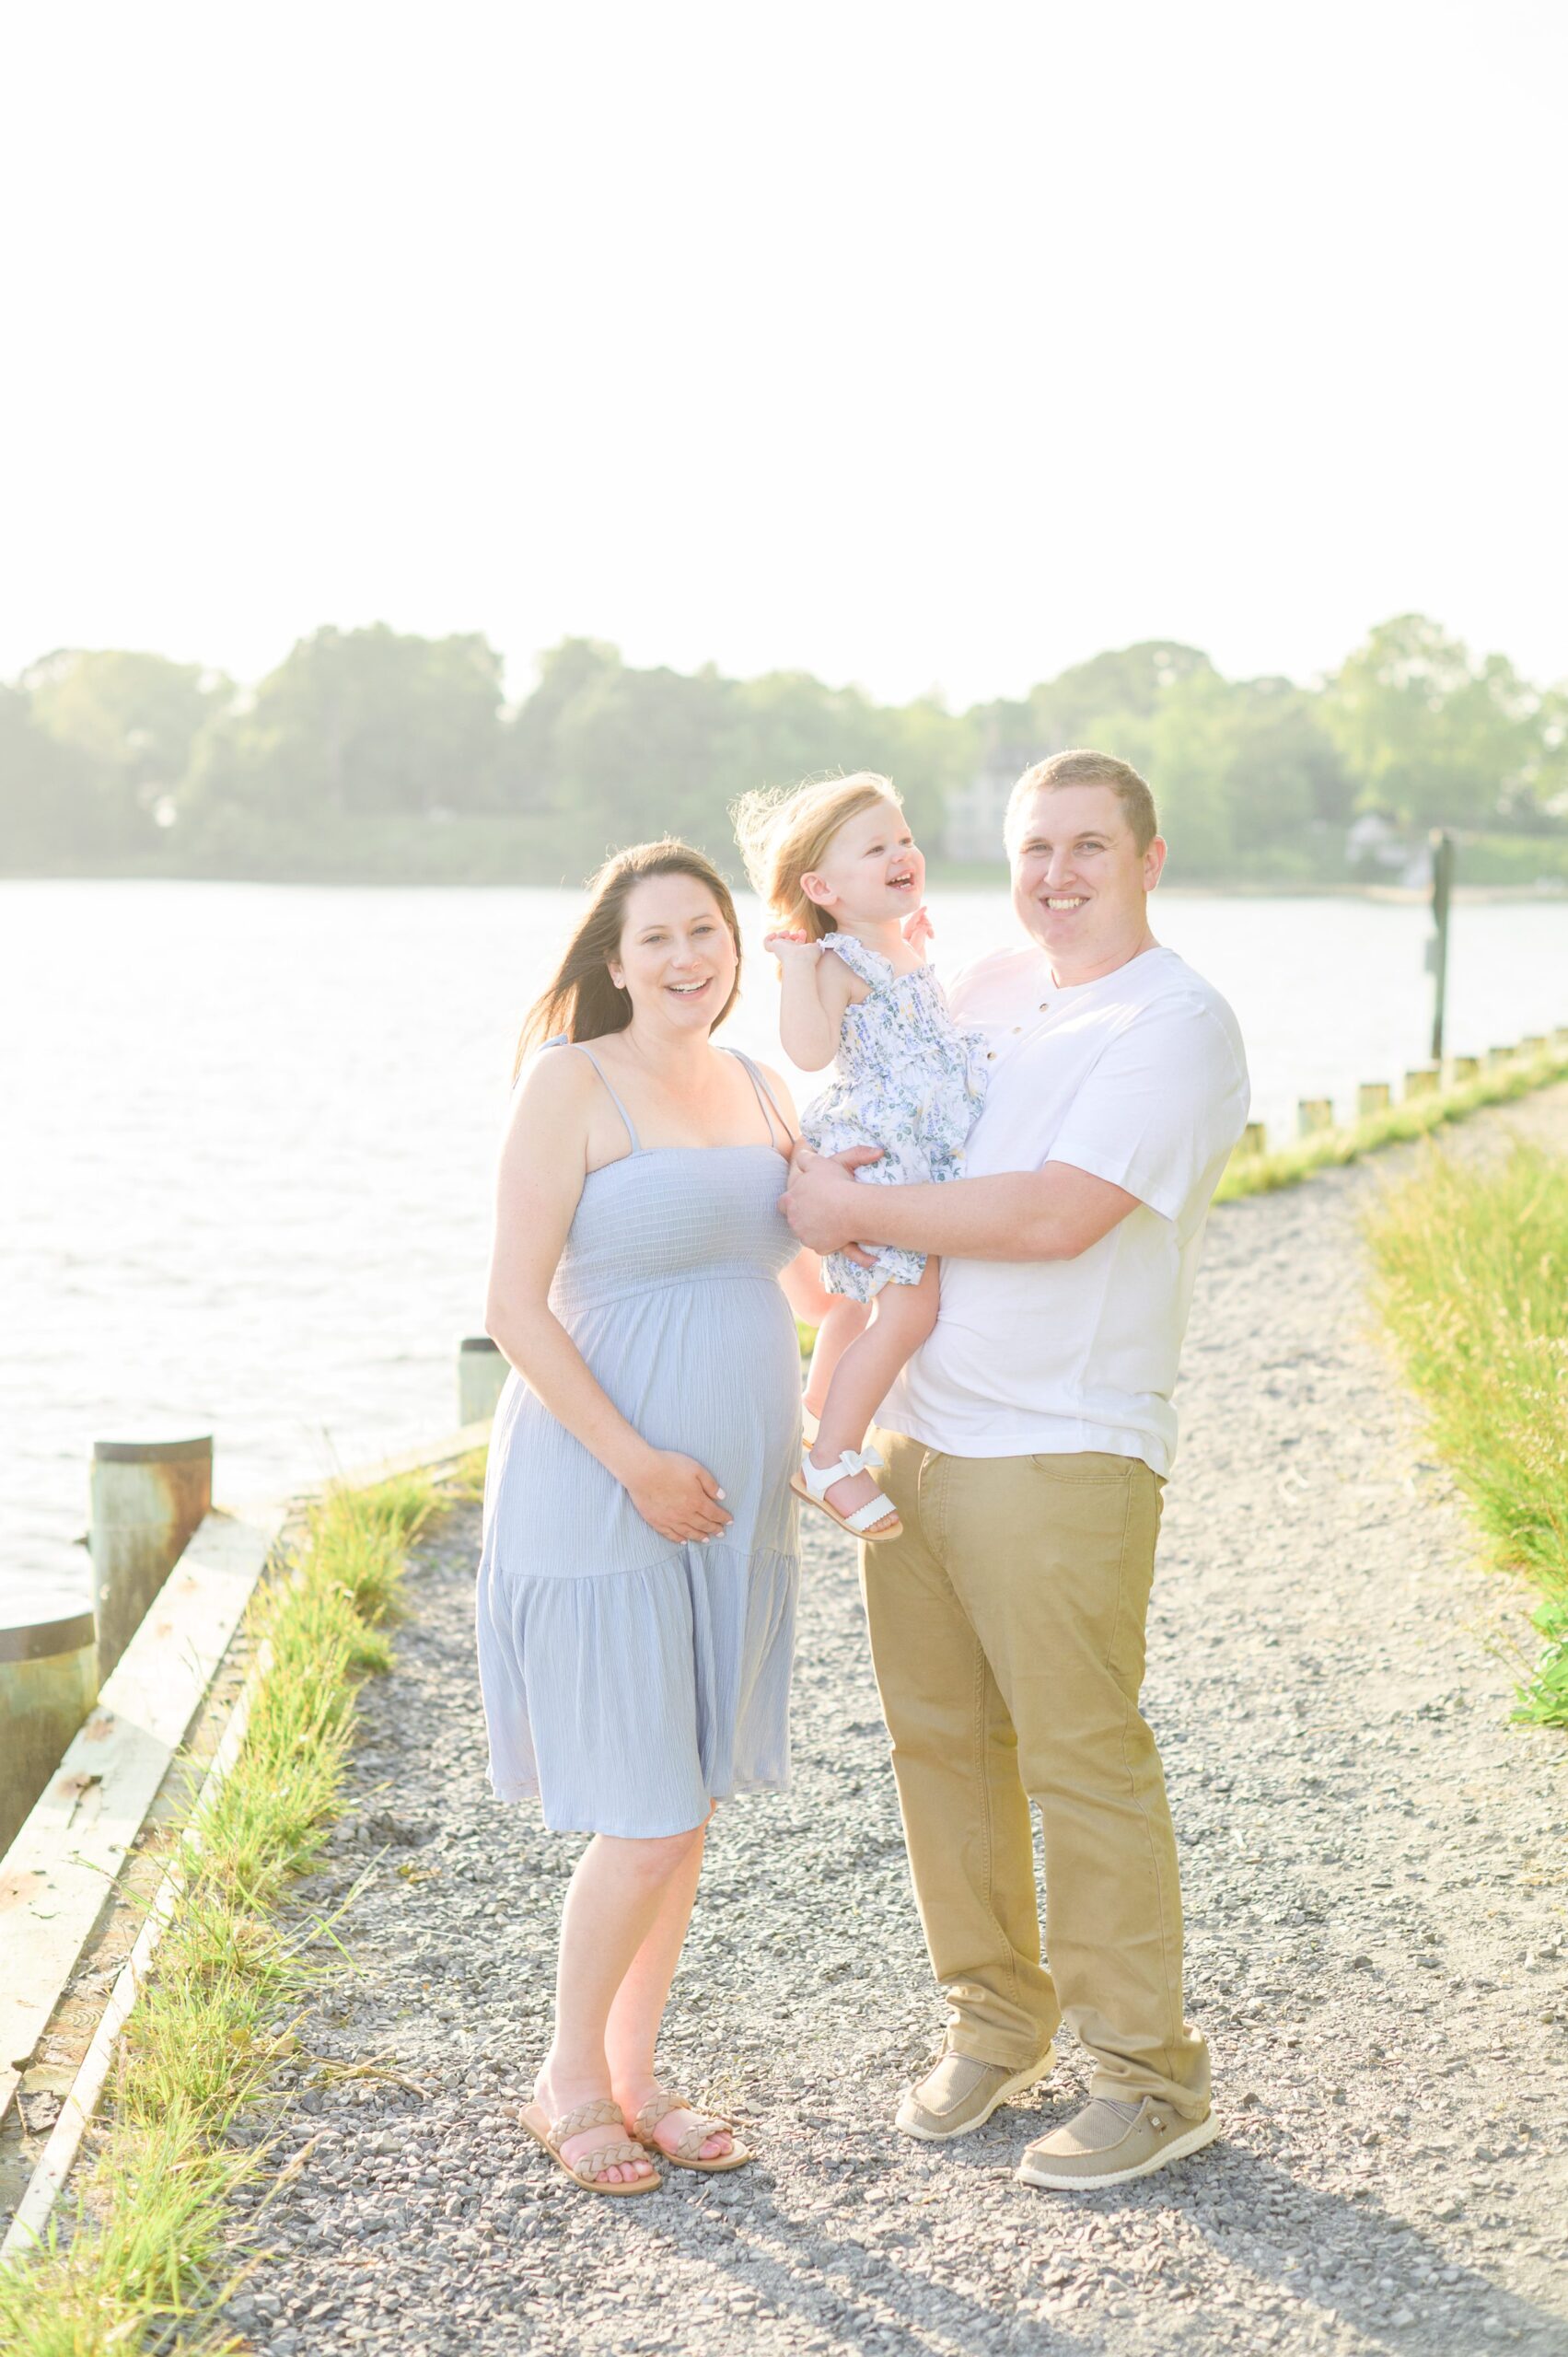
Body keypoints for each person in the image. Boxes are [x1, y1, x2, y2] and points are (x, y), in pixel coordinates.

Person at [781, 749, 1249, 2192]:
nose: (1055, 873)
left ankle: (1145, 2075)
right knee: (940, 1751)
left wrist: (851, 1201)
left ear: (1147, 859)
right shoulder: (979, 985)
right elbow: (846, 1052)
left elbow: (1056, 1218)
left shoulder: (1175, 1025)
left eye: (1087, 847)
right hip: (917, 1426)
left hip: (1063, 1443)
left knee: (1077, 1757)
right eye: (1033, 846)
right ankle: (996, 2019)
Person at [476, 839, 828, 2196]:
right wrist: (635, 1461)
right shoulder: (570, 1084)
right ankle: (567, 2079)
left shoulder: (758, 1083)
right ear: (613, 963)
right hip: (604, 1484)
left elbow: (798, 1283)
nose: (688, 959)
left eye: (707, 932)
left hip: (727, 1501)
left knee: (683, 1807)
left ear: (735, 950)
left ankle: (634, 2078)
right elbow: (512, 1307)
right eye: (659, 939)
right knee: (643, 1812)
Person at [732, 773, 987, 1542]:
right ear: (823, 887)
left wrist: (910, 939)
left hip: (913, 1154)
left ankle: (814, 1425)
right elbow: (809, 1051)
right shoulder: (838, 959)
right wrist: (799, 970)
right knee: (910, 1306)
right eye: (874, 848)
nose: (900, 853)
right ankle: (836, 1456)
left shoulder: (895, 944)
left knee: (856, 1301)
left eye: (903, 839)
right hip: (881, 1154)